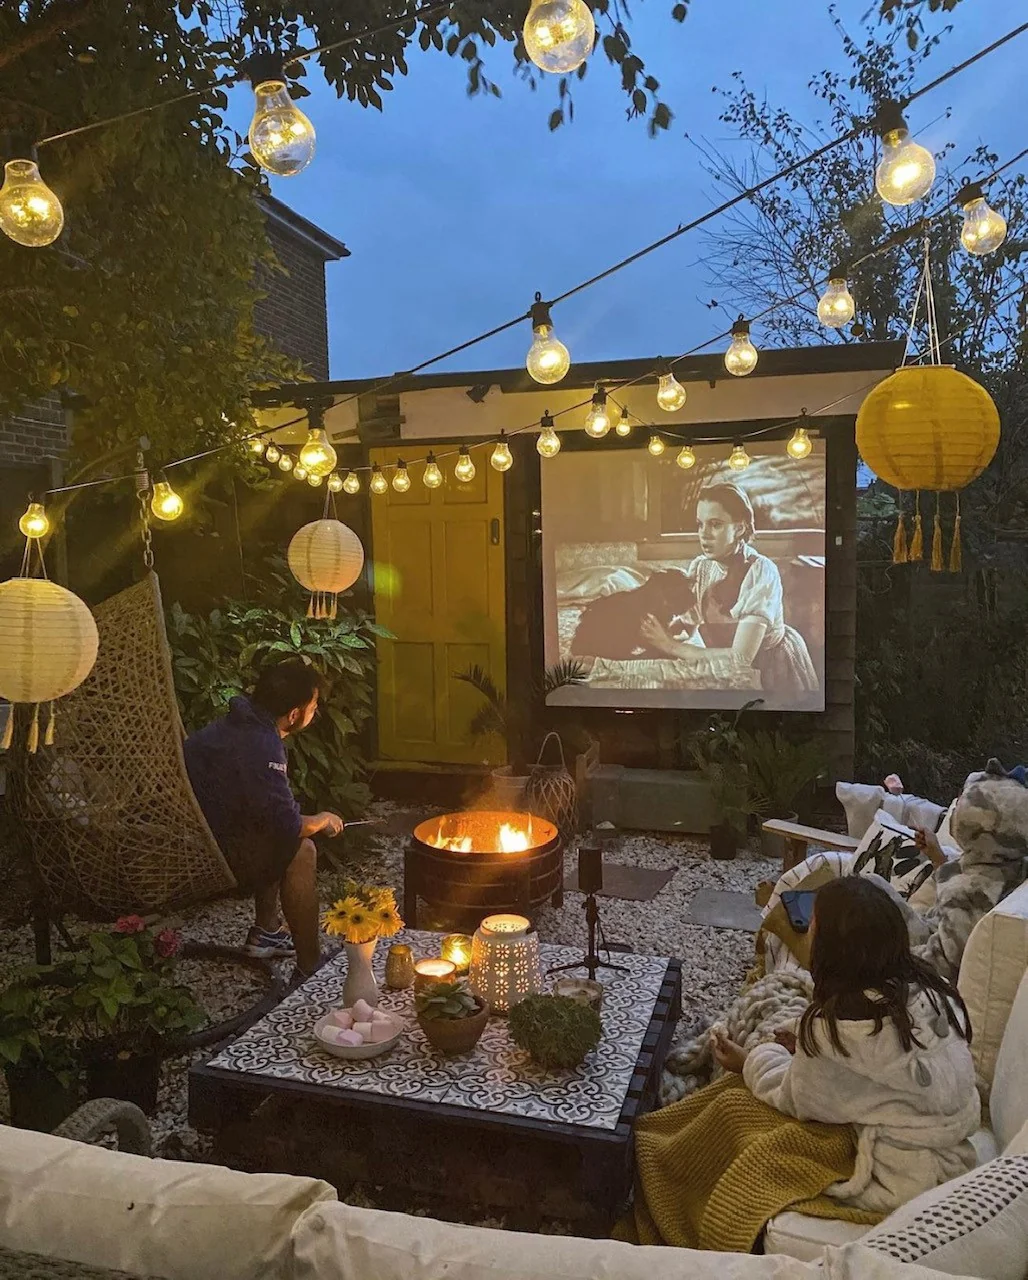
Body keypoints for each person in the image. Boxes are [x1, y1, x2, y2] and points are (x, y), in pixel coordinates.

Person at [713, 876, 980, 1214]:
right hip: (958, 1152)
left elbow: (792, 1097)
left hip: (902, 1178)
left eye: (812, 925)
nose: (806, 931)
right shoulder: (933, 989)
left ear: (831, 949)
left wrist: (751, 1059)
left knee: (730, 1114)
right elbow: (883, 1067)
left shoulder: (831, 1034)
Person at [184, 659, 344, 980]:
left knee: (268, 828)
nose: (315, 713)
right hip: (206, 856)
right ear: (295, 714)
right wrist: (324, 819)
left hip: (194, 835)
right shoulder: (262, 744)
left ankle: (267, 932)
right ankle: (309, 966)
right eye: (313, 706)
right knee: (301, 851)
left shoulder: (236, 722)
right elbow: (288, 826)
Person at [640, 482, 818, 698]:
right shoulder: (701, 566)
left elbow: (741, 659)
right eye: (700, 524)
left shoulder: (761, 571)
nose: (704, 534)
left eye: (715, 524)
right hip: (724, 662)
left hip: (770, 667)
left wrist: (670, 646)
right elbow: (691, 623)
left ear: (740, 528)